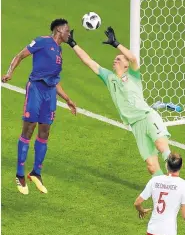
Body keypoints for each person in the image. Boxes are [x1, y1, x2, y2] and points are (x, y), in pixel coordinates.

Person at [66, 26, 178, 176]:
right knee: (152, 166)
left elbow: (132, 58)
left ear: (126, 66)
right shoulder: (109, 77)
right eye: (115, 58)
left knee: (162, 147)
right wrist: (73, 43)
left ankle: (177, 186)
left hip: (147, 116)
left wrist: (115, 43)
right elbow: (89, 62)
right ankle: (161, 191)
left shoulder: (133, 75)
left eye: (118, 59)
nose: (115, 60)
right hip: (135, 125)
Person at [2, 18, 76, 195]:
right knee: (28, 129)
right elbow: (20, 55)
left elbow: (55, 80)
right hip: (36, 88)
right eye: (67, 31)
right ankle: (20, 175)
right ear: (59, 30)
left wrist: (67, 99)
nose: (69, 34)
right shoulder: (43, 41)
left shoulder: (59, 51)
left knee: (45, 131)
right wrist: (9, 72)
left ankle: (36, 173)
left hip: (50, 94)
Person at [134, 153, 185, 235]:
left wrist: (141, 210)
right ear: (181, 166)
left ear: (166, 165)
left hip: (152, 230)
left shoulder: (155, 181)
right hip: (167, 234)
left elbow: (137, 203)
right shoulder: (182, 185)